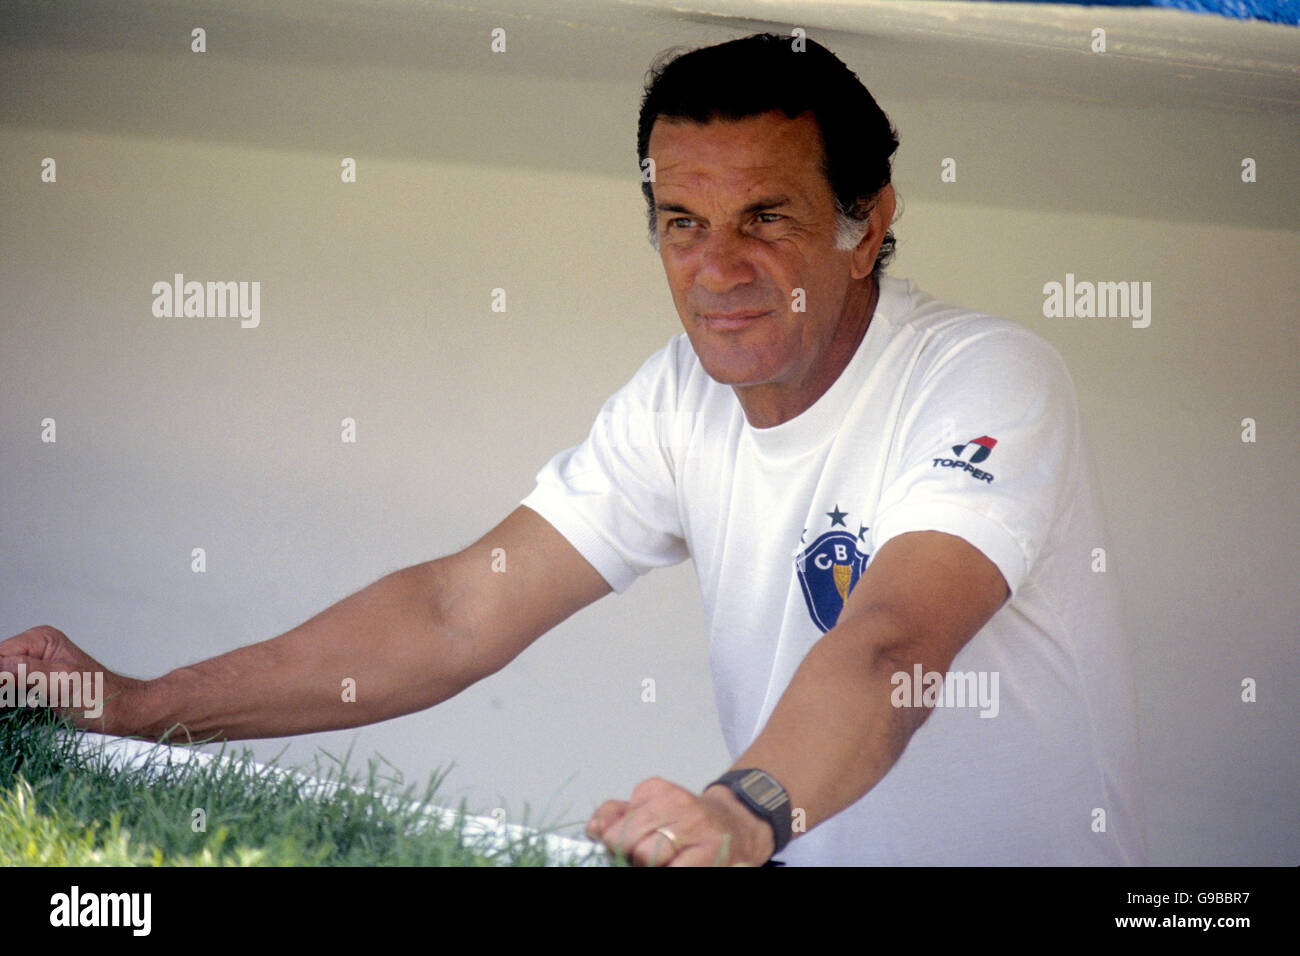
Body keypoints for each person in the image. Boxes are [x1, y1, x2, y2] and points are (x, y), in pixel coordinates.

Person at [0, 33, 1145, 867]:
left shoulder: (984, 375)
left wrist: (741, 809)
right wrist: (139, 702)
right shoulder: (678, 398)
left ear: (868, 221)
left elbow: (894, 638)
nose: (716, 266)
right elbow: (458, 608)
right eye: (681, 223)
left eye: (766, 217)